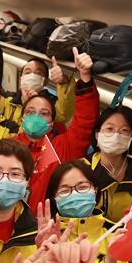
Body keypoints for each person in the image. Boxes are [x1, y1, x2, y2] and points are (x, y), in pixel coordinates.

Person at [14, 47, 99, 210]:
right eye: (30, 112)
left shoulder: (63, 146)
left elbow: (85, 120)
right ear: (21, 118)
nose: (36, 117)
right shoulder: (9, 147)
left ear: (52, 123)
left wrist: (85, 77)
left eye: (44, 113)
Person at [85, 105, 132, 224]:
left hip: (129, 232)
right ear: (97, 134)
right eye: (109, 129)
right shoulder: (83, 167)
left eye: (124, 130)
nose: (116, 136)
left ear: (131, 137)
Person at [41, 160, 110, 248]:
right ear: (54, 198)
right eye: (65, 191)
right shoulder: (44, 237)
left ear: (95, 191)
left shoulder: (114, 237)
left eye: (82, 187)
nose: (75, 193)